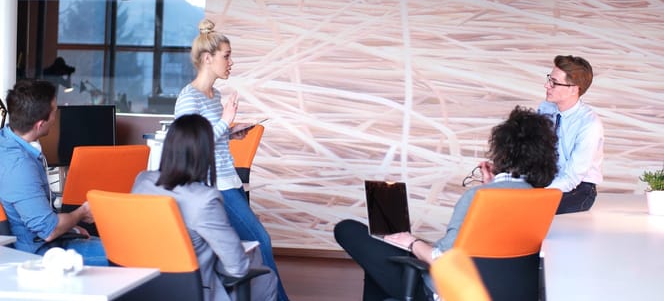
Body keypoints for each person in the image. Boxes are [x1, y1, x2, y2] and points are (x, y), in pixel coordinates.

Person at [334, 106, 559, 300]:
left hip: (449, 292)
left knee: (348, 229)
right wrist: (492, 185)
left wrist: (411, 242)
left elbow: (442, 259)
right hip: (503, 293)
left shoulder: (477, 197)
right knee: (381, 262)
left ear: (501, 152)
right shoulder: (541, 200)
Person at [174, 18, 289, 301]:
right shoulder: (189, 98)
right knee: (261, 241)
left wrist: (231, 132)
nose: (231, 62)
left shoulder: (215, 96)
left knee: (248, 246)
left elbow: (211, 137)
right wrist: (225, 123)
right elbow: (190, 146)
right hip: (215, 186)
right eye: (226, 56)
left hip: (229, 181)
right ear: (207, 58)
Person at [132, 114, 277, 301]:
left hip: (144, 285)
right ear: (206, 153)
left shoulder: (142, 181)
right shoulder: (204, 199)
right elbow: (237, 267)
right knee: (265, 277)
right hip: (192, 289)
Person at [0, 79, 107, 266]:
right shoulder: (19, 166)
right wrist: (82, 213)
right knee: (127, 256)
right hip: (37, 255)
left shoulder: (8, 142)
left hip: (50, 240)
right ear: (40, 124)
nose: (56, 118)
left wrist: (69, 226)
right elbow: (49, 230)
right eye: (54, 113)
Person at [537, 55, 603, 214]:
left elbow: (572, 177)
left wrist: (537, 194)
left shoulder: (589, 124)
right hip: (547, 179)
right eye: (549, 79)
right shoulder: (545, 108)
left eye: (554, 82)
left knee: (533, 209)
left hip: (578, 188)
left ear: (574, 89)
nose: (547, 85)